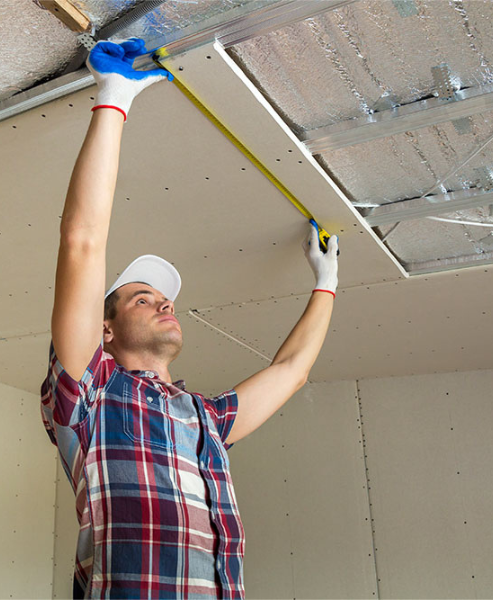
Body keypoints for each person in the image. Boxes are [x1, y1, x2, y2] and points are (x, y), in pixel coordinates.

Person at [40, 38, 339, 600]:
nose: (165, 304)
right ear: (105, 331)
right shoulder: (91, 394)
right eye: (142, 299)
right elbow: (82, 242)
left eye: (164, 299)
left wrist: (327, 283)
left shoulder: (204, 419)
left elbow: (291, 372)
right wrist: (113, 100)